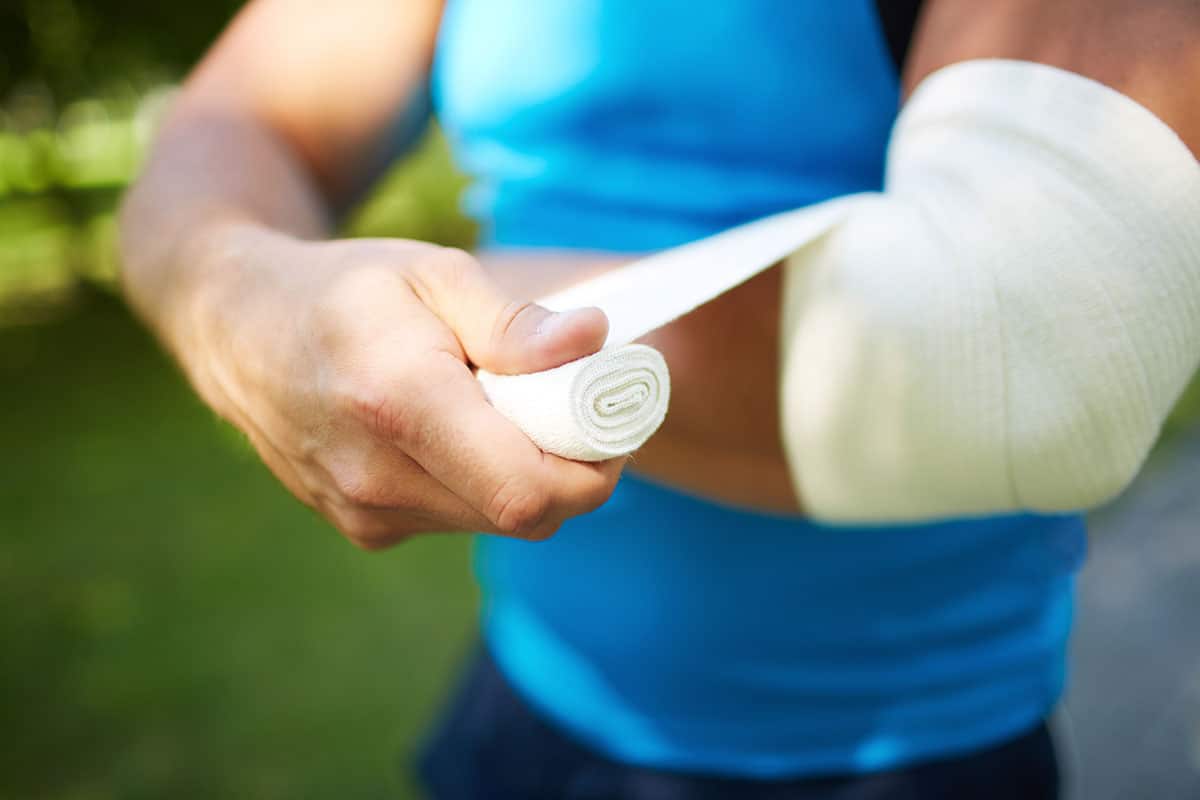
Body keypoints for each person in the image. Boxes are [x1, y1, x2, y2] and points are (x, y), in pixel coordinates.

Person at [119, 1, 1200, 798]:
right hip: (532, 705)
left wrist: (400, 315)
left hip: (906, 748)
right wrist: (240, 300)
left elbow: (1031, 341)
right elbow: (229, 135)